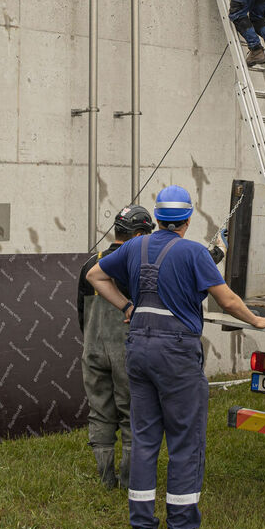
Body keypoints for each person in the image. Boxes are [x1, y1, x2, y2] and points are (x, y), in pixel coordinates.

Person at [87, 185, 265, 529]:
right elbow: (227, 300)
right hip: (175, 353)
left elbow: (95, 276)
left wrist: (128, 306)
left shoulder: (134, 246)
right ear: (187, 220)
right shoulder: (194, 253)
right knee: (185, 441)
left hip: (139, 347)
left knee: (144, 438)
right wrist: (256, 320)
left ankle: (142, 525)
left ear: (158, 218)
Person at [78, 204, 155, 489]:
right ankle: (128, 481)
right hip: (125, 349)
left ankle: (105, 479)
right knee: (132, 412)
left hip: (92, 348)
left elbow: (81, 311)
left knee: (99, 410)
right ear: (138, 235)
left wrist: (91, 342)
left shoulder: (91, 263)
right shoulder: (136, 264)